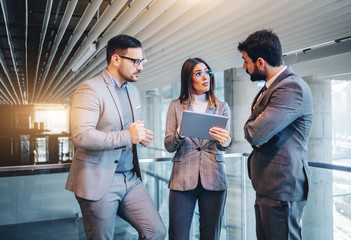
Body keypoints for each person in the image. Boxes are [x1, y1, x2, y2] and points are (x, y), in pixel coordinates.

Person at [65, 34, 166, 240]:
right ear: (116, 59)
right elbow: (81, 136)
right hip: (99, 179)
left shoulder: (133, 91)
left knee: (156, 232)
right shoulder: (90, 89)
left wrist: (140, 137)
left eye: (142, 61)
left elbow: (128, 130)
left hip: (130, 178)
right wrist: (127, 136)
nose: (141, 67)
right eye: (136, 61)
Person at [238, 29, 313, 240]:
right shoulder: (271, 88)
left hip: (282, 188)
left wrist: (252, 124)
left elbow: (254, 133)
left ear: (260, 62)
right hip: (268, 185)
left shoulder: (291, 88)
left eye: (246, 61)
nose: (244, 67)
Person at [164, 58, 231, 240]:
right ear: (188, 78)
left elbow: (224, 145)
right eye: (198, 73)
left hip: (214, 177)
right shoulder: (175, 107)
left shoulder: (222, 107)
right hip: (182, 178)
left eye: (207, 72)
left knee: (211, 235)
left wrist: (225, 141)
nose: (205, 77)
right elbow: (169, 145)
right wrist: (180, 133)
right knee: (178, 234)